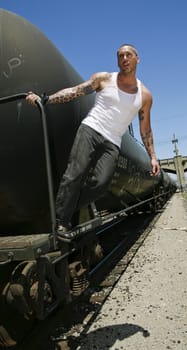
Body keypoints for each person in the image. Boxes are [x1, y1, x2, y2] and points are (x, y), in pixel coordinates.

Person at [26, 44, 160, 238]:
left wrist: (153, 157)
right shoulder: (104, 79)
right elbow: (75, 91)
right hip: (91, 129)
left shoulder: (145, 96)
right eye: (120, 55)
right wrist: (46, 99)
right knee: (75, 173)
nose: (124, 58)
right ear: (117, 60)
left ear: (137, 58)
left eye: (128, 55)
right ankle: (61, 221)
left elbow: (145, 129)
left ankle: (69, 209)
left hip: (113, 142)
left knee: (100, 184)